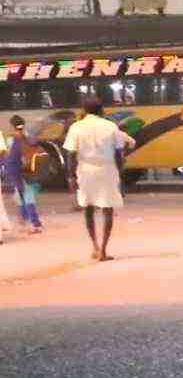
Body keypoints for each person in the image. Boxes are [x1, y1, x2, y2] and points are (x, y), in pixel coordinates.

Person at [62, 96, 136, 261]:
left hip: (85, 170)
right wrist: (120, 171)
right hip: (107, 170)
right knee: (107, 209)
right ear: (101, 110)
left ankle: (95, 246)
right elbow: (118, 153)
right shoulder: (110, 126)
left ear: (84, 110)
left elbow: (71, 155)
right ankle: (103, 250)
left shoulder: (76, 127)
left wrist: (70, 176)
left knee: (88, 209)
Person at [4, 115, 43, 234]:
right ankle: (26, 221)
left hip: (17, 171)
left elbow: (8, 157)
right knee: (24, 195)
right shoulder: (29, 136)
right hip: (29, 170)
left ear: (12, 126)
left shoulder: (11, 140)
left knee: (24, 196)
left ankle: (34, 224)